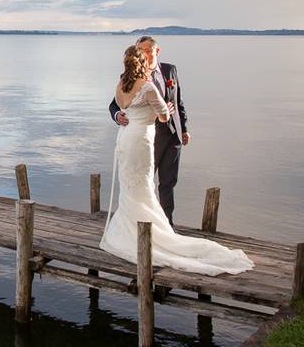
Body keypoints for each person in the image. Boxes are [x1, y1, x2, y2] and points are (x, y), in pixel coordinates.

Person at [100, 45, 253, 275]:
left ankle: (131, 231)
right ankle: (157, 233)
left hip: (125, 140)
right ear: (142, 62)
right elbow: (163, 116)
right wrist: (165, 111)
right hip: (141, 140)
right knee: (143, 185)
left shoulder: (120, 85)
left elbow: (122, 103)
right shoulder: (148, 87)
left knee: (132, 186)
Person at [109, 35, 186, 226]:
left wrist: (184, 129)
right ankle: (144, 224)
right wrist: (118, 115)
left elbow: (179, 101)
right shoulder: (128, 79)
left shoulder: (170, 70)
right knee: (144, 182)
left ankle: (168, 224)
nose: (145, 54)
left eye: (147, 50)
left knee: (168, 183)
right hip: (148, 137)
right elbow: (114, 105)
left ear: (156, 51)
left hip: (172, 135)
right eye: (140, 50)